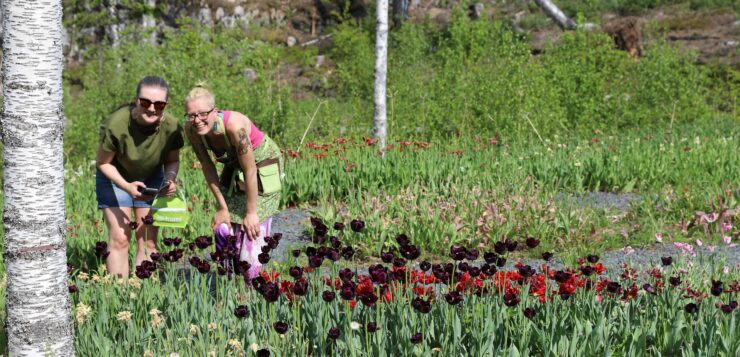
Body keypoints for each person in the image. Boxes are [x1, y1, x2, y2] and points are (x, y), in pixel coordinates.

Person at [96, 76, 184, 278]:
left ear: (165, 105)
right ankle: (120, 297)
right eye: (146, 102)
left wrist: (170, 179)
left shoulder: (171, 126)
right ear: (136, 100)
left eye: (159, 104)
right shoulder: (117, 123)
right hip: (115, 177)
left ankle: (144, 297)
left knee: (147, 239)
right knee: (120, 237)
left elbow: (172, 160)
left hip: (151, 178)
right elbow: (103, 163)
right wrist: (126, 186)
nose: (152, 108)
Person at [183, 84, 283, 260]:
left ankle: (253, 274)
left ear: (215, 111)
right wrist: (222, 207)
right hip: (234, 165)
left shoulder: (235, 128)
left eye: (203, 114)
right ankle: (229, 277)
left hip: (261, 163)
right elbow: (208, 167)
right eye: (191, 115)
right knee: (225, 227)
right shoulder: (192, 131)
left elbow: (250, 170)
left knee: (251, 234)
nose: (197, 120)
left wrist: (251, 213)